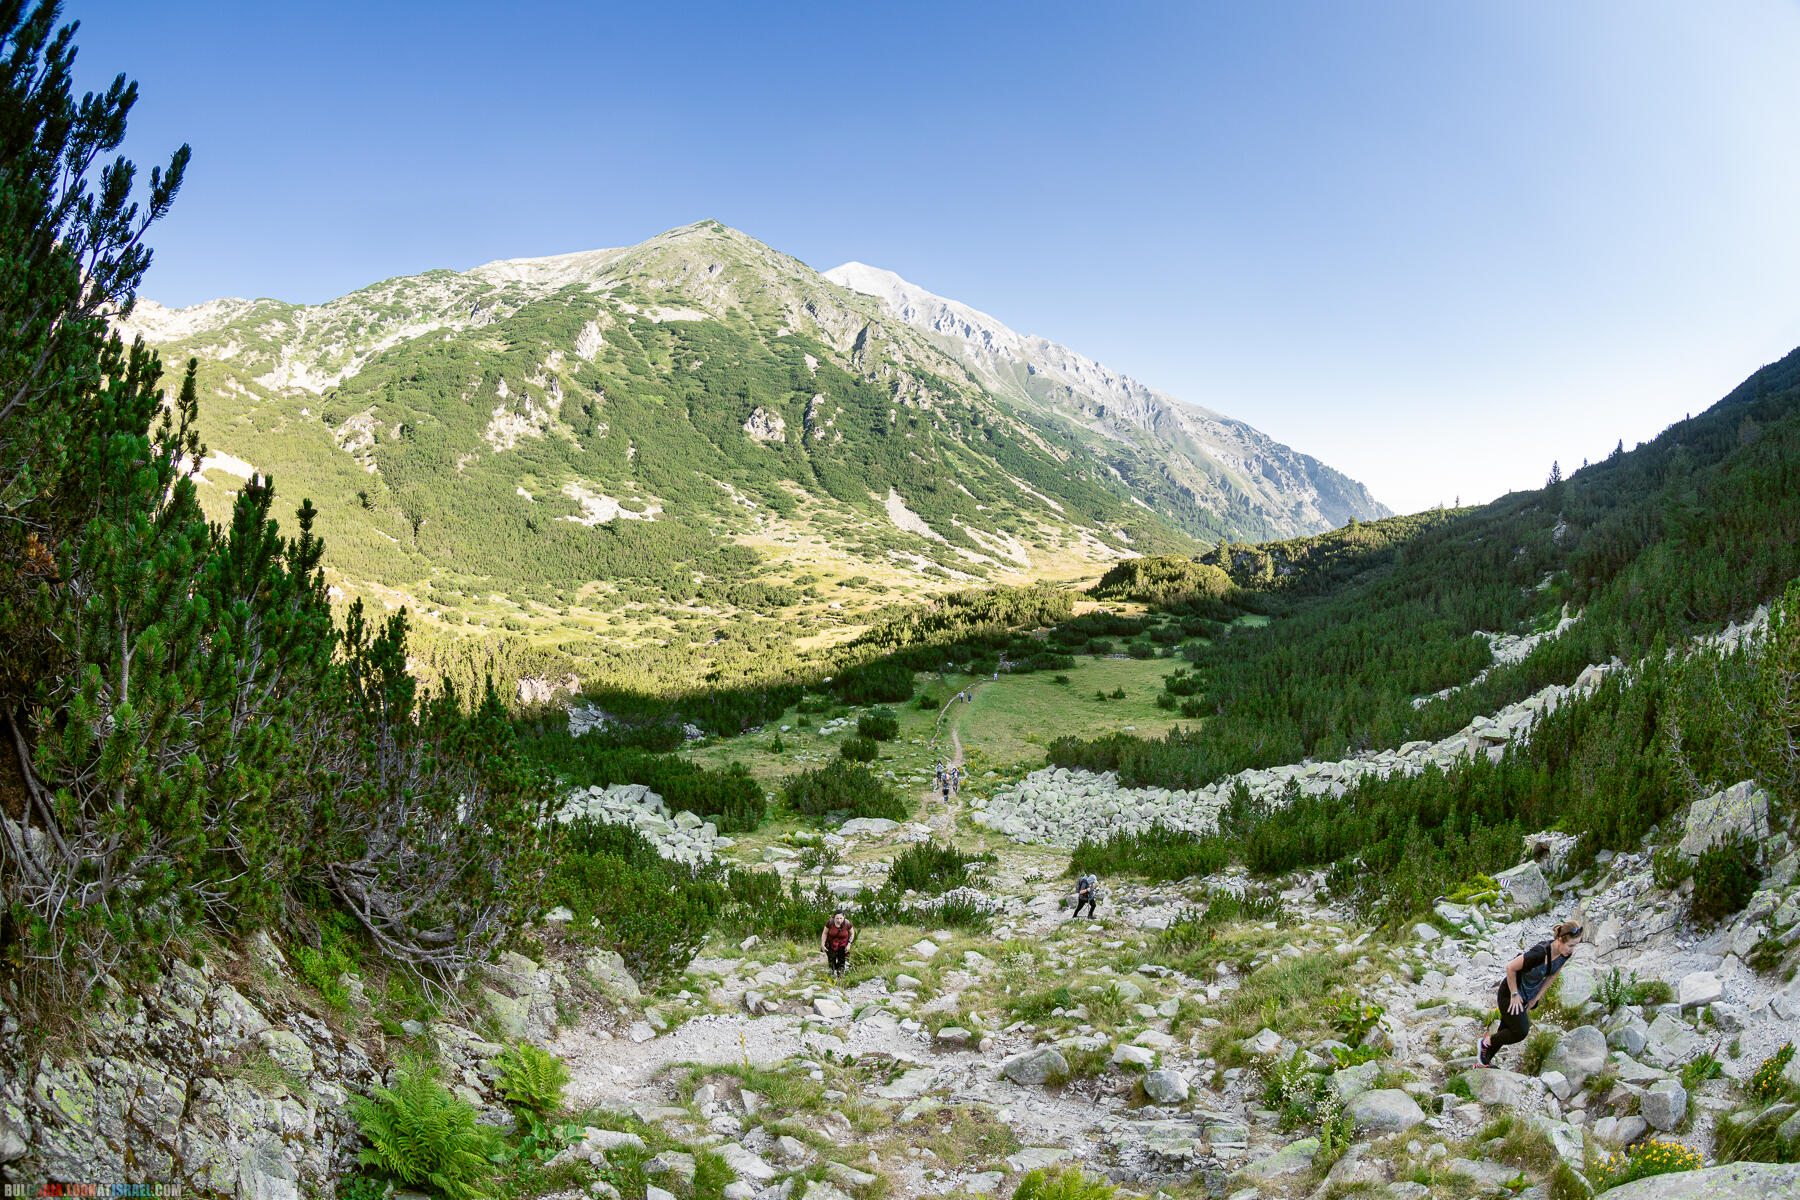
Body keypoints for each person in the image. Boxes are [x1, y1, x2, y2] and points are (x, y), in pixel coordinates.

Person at [1478, 920, 1583, 1067]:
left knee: (1507, 1028)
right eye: (1571, 945)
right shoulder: (1539, 953)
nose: (1572, 949)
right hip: (1509, 993)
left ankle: (1484, 1061)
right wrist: (1514, 995)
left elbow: (1552, 975)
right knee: (1520, 1031)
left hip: (1527, 996)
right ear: (1560, 940)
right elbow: (1510, 968)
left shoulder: (1564, 954)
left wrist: (1536, 998)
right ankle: (1486, 1042)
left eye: (1575, 945)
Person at [821, 911, 855, 977]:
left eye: (841, 918)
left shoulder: (847, 923)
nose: (839, 920)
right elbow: (824, 933)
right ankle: (832, 976)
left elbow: (852, 933)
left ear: (843, 917)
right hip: (831, 945)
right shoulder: (830, 923)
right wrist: (822, 944)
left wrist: (849, 944)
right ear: (834, 918)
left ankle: (840, 978)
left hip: (843, 946)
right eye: (837, 918)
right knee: (831, 963)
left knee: (841, 962)